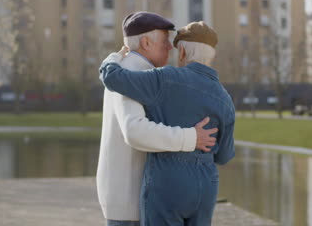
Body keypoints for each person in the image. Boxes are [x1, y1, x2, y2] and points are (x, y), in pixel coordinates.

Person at [99, 21, 235, 226]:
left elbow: (113, 78)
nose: (169, 48)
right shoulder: (225, 98)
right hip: (206, 186)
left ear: (182, 52)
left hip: (167, 183)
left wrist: (113, 57)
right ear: (211, 56)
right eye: (165, 42)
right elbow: (224, 155)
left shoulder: (165, 79)